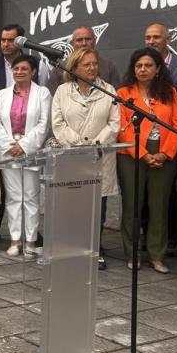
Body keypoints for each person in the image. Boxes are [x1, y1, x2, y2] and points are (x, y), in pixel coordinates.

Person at [50, 47, 120, 270]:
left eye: (94, 64)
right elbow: (58, 123)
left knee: (96, 208)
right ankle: (72, 249)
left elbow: (114, 123)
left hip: (99, 157)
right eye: (86, 64)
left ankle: (94, 250)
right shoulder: (62, 91)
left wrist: (96, 144)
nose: (92, 68)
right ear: (74, 67)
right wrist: (78, 144)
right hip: (72, 156)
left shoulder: (109, 90)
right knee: (72, 205)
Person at [116, 47, 177, 273]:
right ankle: (132, 253)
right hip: (132, 154)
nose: (143, 69)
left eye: (148, 65)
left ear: (158, 69)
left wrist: (164, 153)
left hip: (164, 154)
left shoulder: (170, 92)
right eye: (139, 66)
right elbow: (122, 128)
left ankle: (157, 255)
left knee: (159, 205)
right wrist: (143, 154)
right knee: (132, 205)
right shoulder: (124, 93)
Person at [141, 23, 177, 256]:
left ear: (168, 39)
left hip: (173, 136)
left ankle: (173, 236)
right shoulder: (140, 63)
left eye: (156, 37)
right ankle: (147, 234)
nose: (151, 41)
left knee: (168, 188)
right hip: (144, 137)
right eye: (147, 37)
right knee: (144, 188)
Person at [0, 24, 34, 244]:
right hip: (0, 136)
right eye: (3, 39)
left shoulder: (35, 64)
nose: (5, 44)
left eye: (10, 40)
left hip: (27, 135)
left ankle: (28, 231)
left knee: (27, 184)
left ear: (20, 41)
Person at [0, 54, 51, 257]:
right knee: (14, 197)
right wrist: (10, 146)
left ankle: (31, 241)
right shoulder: (2, 95)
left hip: (30, 152)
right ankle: (16, 240)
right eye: (16, 69)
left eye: (24, 69)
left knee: (31, 197)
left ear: (33, 71)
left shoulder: (42, 93)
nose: (19, 72)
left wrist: (24, 145)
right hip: (8, 153)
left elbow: (44, 124)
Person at [42, 25, 122, 93]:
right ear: (72, 44)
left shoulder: (109, 67)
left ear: (94, 41)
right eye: (79, 40)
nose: (84, 43)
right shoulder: (60, 68)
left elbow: (116, 97)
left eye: (88, 39)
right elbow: (52, 98)